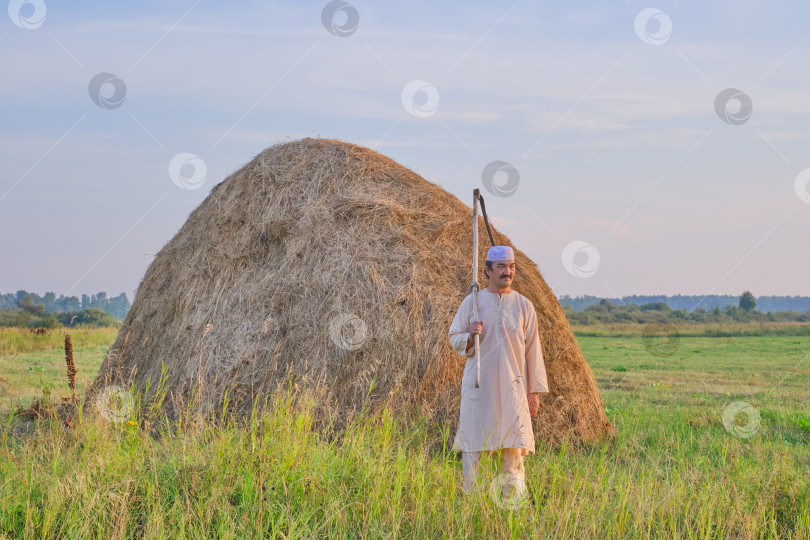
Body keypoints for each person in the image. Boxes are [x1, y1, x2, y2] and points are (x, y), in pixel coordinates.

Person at [448, 245, 549, 500]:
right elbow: (454, 337)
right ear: (487, 271)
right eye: (502, 267)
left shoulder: (525, 306)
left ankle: (511, 505)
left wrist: (533, 392)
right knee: (475, 448)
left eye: (512, 267)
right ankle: (473, 505)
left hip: (513, 390)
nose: (508, 272)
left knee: (513, 449)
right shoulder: (472, 302)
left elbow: (533, 352)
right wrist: (470, 334)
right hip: (479, 389)